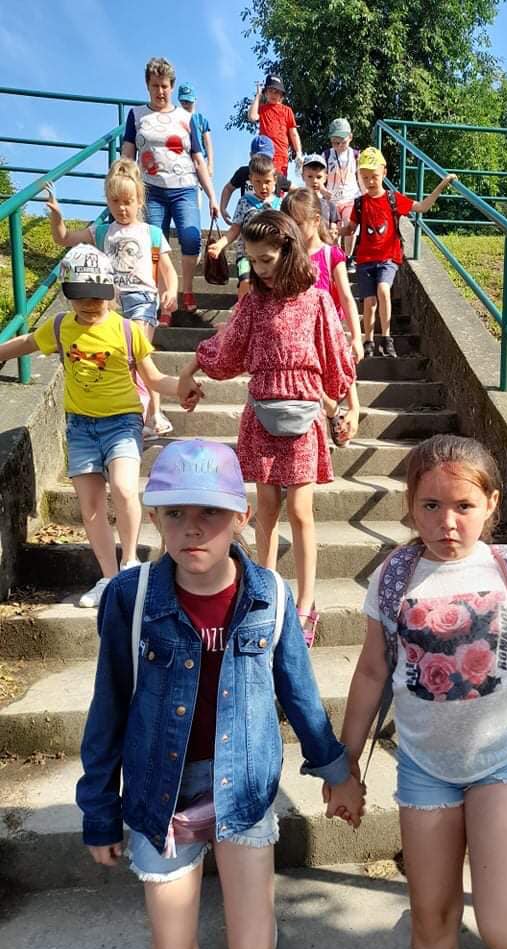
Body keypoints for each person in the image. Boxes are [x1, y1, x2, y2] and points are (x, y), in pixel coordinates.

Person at [76, 438, 365, 949]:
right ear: (155, 518)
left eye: (210, 511)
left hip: (244, 785)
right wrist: (99, 809)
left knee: (253, 946)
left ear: (241, 516)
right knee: (172, 948)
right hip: (160, 790)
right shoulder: (130, 597)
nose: (192, 527)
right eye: (176, 513)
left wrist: (337, 773)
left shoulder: (270, 596)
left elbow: (299, 694)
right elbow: (108, 707)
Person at [335, 434, 507, 949]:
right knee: (432, 922)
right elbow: (372, 671)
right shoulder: (393, 577)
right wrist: (345, 765)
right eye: (431, 505)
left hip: (505, 760)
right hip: (425, 767)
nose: (447, 522)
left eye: (464, 506)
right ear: (410, 505)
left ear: (491, 504)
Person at [178, 211, 356, 648]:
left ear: (289, 252)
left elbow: (337, 356)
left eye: (267, 259)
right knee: (268, 508)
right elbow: (225, 347)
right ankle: (266, 592)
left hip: (304, 414)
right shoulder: (253, 303)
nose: (260, 269)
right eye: (253, 261)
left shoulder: (317, 300)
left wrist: (348, 404)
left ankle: (306, 603)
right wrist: (187, 371)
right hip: (262, 413)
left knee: (301, 510)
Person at [0, 245, 200, 607]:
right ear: (67, 294)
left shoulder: (127, 330)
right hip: (80, 426)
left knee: (123, 488)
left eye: (97, 296)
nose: (90, 304)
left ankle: (130, 563)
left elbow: (154, 379)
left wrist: (182, 387)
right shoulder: (60, 326)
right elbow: (28, 342)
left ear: (111, 292)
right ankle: (109, 577)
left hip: (122, 422)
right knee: (90, 505)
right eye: (80, 297)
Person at [46, 159, 178, 441]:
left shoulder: (152, 233)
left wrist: (171, 290)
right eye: (115, 201)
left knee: (139, 356)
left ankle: (154, 414)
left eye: (128, 202)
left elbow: (168, 270)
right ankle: (133, 413)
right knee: (122, 360)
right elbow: (64, 239)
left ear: (140, 200)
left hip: (142, 298)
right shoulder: (101, 231)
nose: (122, 208)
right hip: (109, 301)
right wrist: (57, 218)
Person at [121, 57, 219, 315]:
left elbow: (198, 159)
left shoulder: (186, 117)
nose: (160, 91)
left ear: (172, 86)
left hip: (184, 188)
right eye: (155, 85)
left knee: (191, 238)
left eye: (164, 85)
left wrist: (212, 196)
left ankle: (186, 289)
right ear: (147, 86)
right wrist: (122, 186)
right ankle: (165, 302)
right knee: (156, 245)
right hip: (150, 190)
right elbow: (127, 156)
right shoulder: (136, 115)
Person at [340, 147, 457, 360]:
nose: (370, 181)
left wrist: (442, 185)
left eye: (374, 176)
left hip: (388, 258)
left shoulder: (393, 199)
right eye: (365, 177)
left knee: (383, 290)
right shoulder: (360, 203)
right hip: (365, 260)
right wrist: (332, 231)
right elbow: (350, 229)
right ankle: (368, 340)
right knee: (369, 302)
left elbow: (422, 207)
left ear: (384, 173)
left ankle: (386, 338)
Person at [281, 187, 361, 447]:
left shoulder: (330, 253)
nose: (292, 231)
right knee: (309, 381)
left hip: (329, 330)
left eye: (298, 224)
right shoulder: (287, 257)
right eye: (288, 225)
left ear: (316, 221)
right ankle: (331, 410)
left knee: (341, 368)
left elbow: (347, 297)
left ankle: (351, 411)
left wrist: (357, 337)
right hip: (300, 334)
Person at [208, 153, 282, 302]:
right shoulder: (245, 202)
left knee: (272, 286)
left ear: (275, 179)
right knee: (245, 282)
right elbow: (235, 229)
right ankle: (242, 311)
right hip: (247, 255)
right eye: (258, 182)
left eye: (267, 181)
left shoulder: (280, 204)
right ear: (250, 180)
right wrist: (220, 245)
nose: (263, 186)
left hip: (271, 256)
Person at [219, 135, 293, 223]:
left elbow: (295, 190)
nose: (261, 162)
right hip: (249, 220)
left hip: (271, 222)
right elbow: (228, 188)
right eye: (258, 158)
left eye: (266, 158)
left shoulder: (276, 175)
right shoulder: (243, 173)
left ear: (272, 158)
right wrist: (223, 208)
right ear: (251, 156)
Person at [248, 74, 302, 177]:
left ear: (281, 95)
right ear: (265, 93)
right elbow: (252, 117)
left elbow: (293, 133)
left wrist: (299, 153)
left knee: (279, 184)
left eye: (277, 92)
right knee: (262, 181)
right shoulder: (262, 109)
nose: (273, 94)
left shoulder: (287, 111)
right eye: (270, 91)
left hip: (280, 155)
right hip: (263, 153)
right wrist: (258, 95)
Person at [323, 118, 362, 259]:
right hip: (332, 199)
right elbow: (320, 177)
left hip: (350, 197)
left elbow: (361, 177)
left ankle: (348, 257)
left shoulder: (356, 155)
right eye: (335, 142)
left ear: (350, 138)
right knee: (334, 230)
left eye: (343, 142)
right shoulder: (326, 155)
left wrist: (365, 194)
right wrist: (323, 191)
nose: (339, 146)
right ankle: (336, 257)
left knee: (350, 225)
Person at [177, 81, 214, 208]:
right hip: (182, 159)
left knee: (197, 194)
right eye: (183, 102)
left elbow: (208, 143)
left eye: (189, 101)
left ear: (195, 100)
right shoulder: (177, 117)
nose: (186, 104)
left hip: (199, 161)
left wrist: (210, 164)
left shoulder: (201, 119)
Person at [301, 154, 340, 240]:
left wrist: (333, 233)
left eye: (318, 177)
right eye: (310, 176)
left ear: (325, 178)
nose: (314, 180)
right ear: (303, 176)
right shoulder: (298, 202)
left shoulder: (330, 204)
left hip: (324, 244)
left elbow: (333, 230)